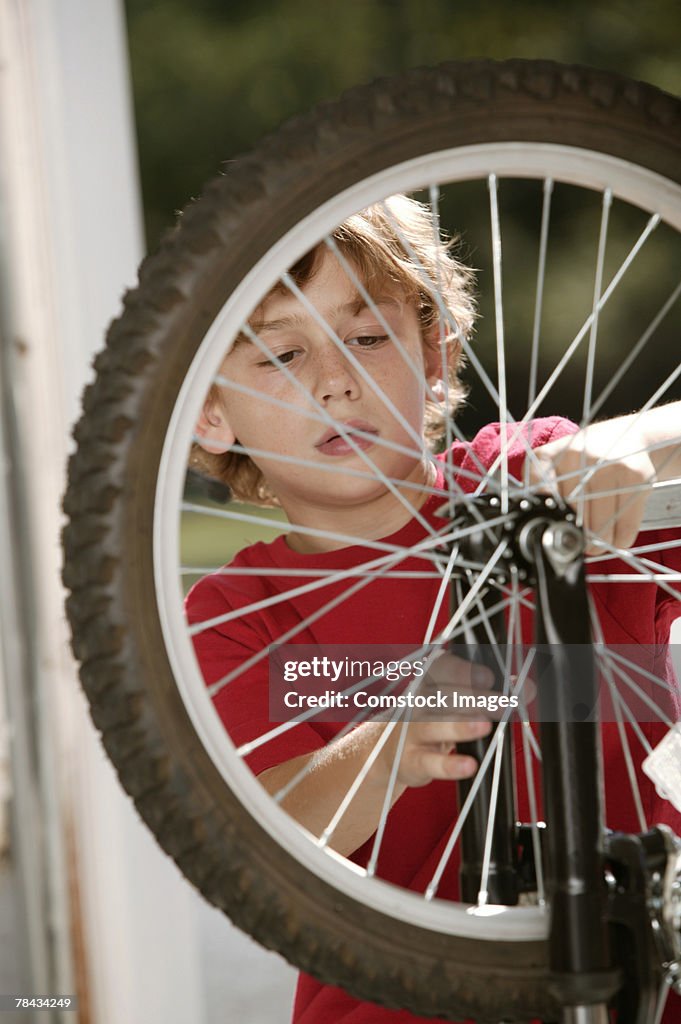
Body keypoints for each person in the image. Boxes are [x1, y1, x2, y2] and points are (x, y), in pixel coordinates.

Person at [186, 195, 681, 1023]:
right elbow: (256, 841)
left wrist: (638, 439)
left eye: (370, 337)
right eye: (280, 355)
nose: (336, 380)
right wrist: (385, 749)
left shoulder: (537, 482)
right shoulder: (238, 611)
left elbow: (639, 455)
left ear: (435, 346)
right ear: (208, 412)